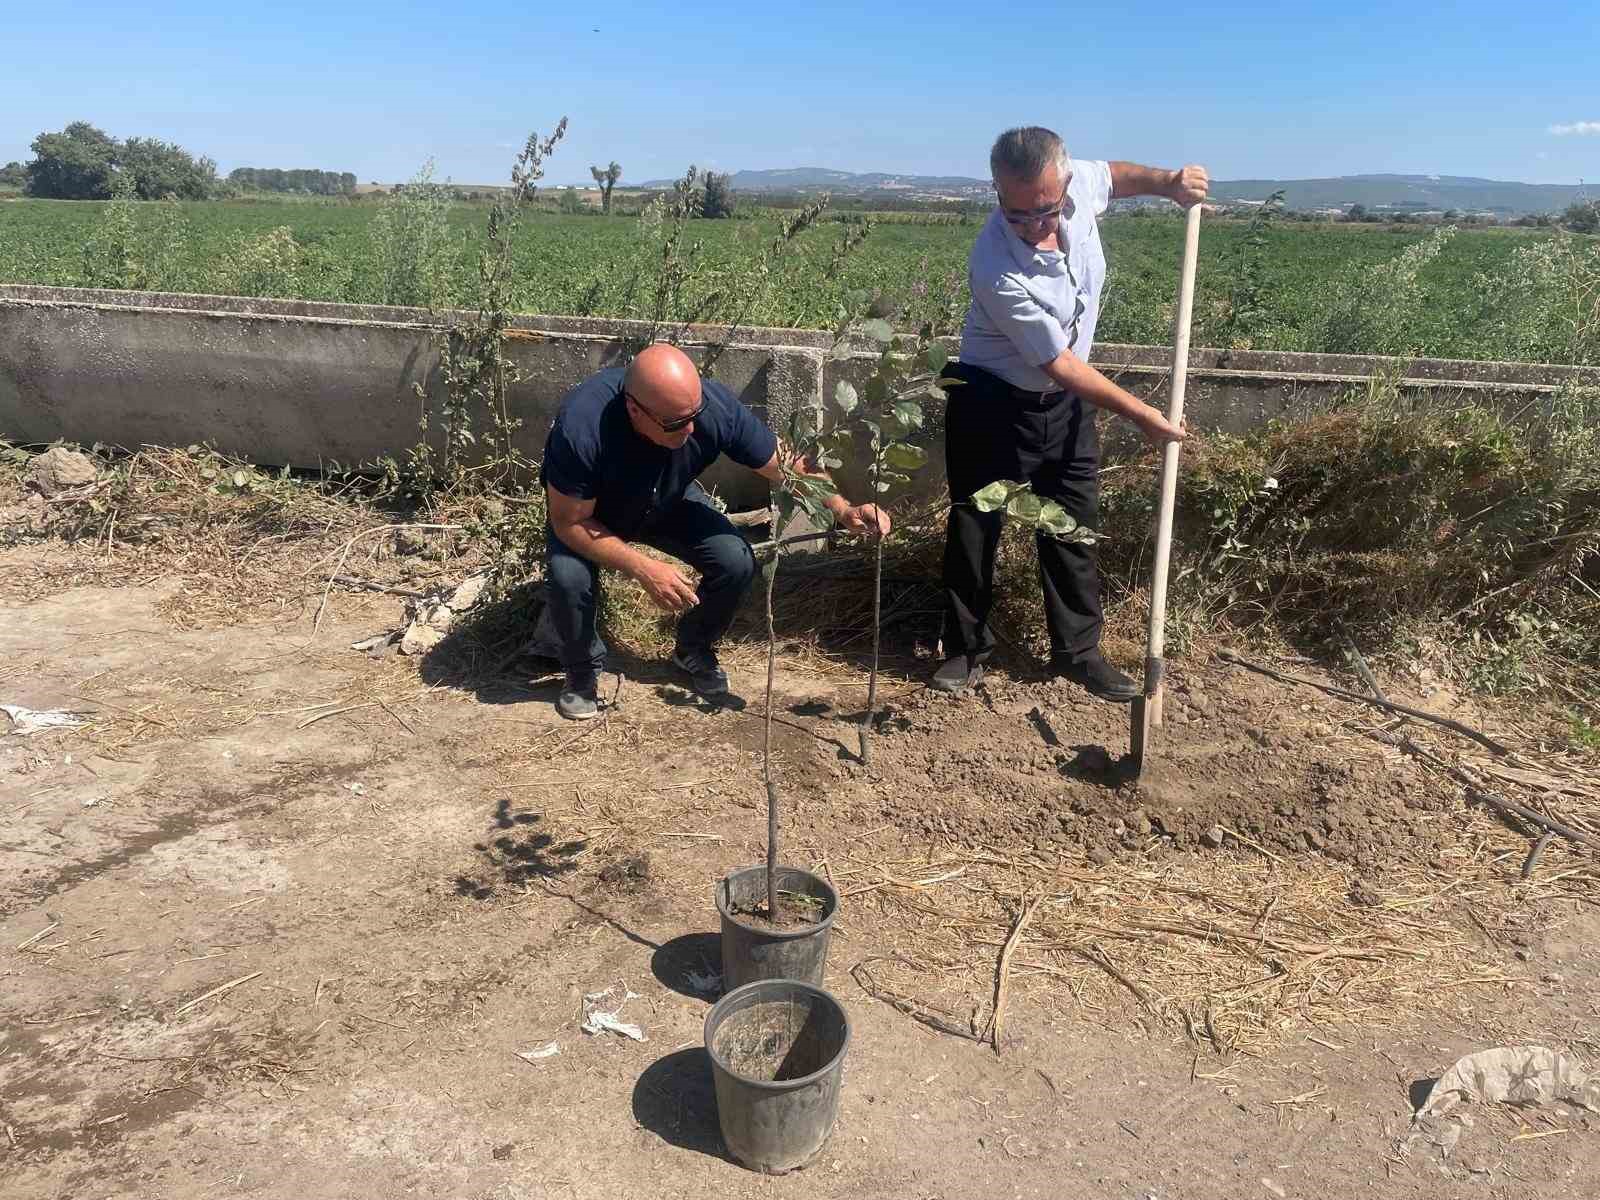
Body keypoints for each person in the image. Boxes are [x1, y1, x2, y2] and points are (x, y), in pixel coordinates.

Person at [934, 126, 1208, 701]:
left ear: (1062, 184)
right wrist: (1143, 415)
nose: (1036, 225)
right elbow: (1056, 361)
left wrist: (1169, 183)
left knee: (1072, 524)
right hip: (990, 397)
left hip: (1065, 404)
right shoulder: (994, 264)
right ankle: (964, 649)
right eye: (1018, 214)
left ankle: (1079, 653)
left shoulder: (1078, 181)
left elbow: (1115, 176)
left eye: (1046, 210)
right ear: (997, 193)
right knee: (976, 524)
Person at [539, 343, 889, 720]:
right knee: (569, 578)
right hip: (592, 515)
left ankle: (692, 648)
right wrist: (643, 568)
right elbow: (569, 522)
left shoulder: (710, 407)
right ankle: (581, 671)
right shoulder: (583, 427)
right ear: (634, 409)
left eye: (694, 415)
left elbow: (788, 466)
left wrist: (843, 508)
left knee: (735, 560)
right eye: (675, 423)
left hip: (665, 499)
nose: (690, 430)